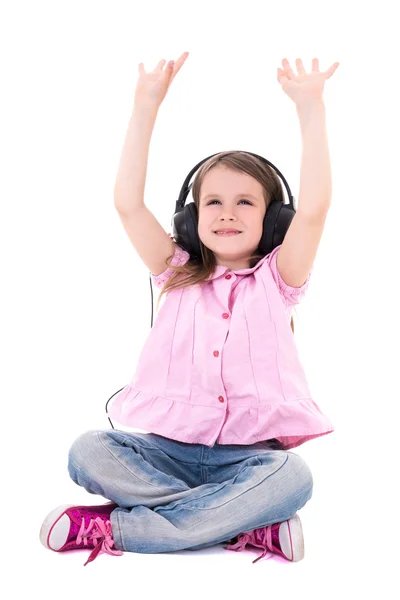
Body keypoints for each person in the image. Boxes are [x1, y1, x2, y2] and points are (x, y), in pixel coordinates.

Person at [40, 52, 338, 567]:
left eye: (246, 202)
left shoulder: (279, 279)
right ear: (190, 219)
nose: (226, 212)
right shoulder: (174, 271)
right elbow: (127, 203)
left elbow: (314, 208)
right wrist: (145, 105)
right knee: (87, 449)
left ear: (272, 221)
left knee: (293, 477)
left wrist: (310, 108)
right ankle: (243, 523)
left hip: (249, 462)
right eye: (213, 202)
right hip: (163, 455)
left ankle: (116, 527)